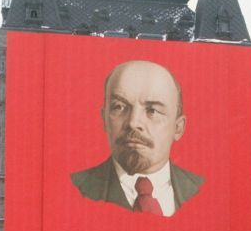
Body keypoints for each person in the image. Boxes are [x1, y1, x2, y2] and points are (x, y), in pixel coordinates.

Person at [70, 60, 204, 217]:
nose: (133, 123)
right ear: (104, 119)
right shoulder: (74, 189)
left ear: (178, 128)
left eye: (152, 110)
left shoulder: (201, 191)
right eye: (119, 107)